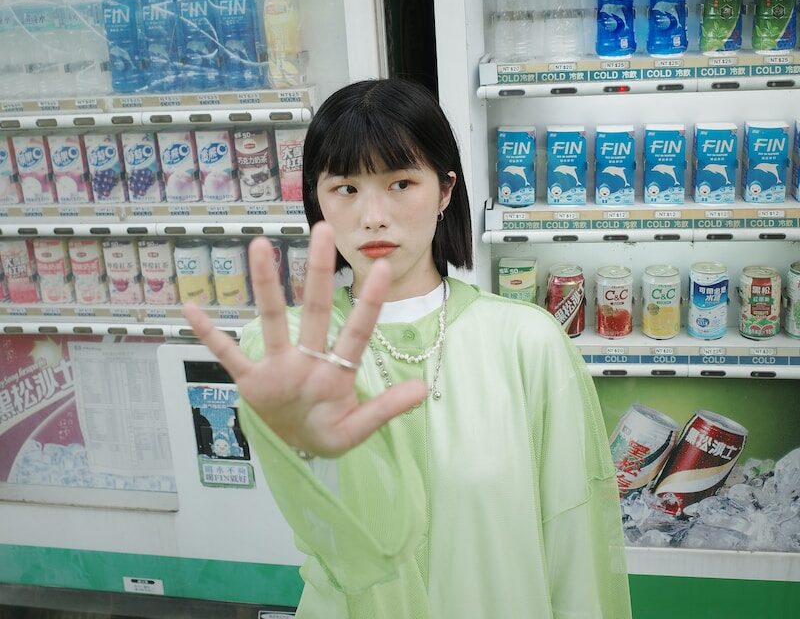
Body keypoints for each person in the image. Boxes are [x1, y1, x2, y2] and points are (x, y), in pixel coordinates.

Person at [184, 78, 632, 619]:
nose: (373, 215)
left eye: (400, 183)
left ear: (444, 191)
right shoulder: (293, 347)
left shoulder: (527, 341)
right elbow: (332, 533)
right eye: (345, 188)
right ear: (317, 201)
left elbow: (575, 541)